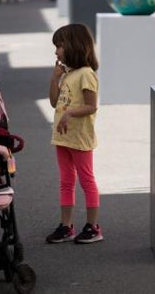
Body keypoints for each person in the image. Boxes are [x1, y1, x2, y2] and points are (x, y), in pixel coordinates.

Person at [46, 24, 104, 244]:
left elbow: (91, 106)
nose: (56, 52)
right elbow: (54, 102)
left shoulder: (86, 75)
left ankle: (93, 226)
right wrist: (55, 79)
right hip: (63, 137)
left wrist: (69, 113)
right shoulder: (69, 74)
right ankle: (66, 225)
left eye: (59, 46)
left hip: (80, 138)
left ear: (72, 45)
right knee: (66, 181)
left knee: (87, 181)